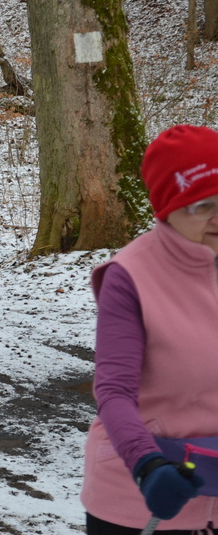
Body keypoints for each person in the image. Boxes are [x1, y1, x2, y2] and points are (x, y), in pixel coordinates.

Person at [81, 125, 218, 534]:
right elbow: (113, 391)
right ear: (167, 206)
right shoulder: (131, 276)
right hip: (144, 496)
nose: (216, 217)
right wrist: (148, 464)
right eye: (200, 205)